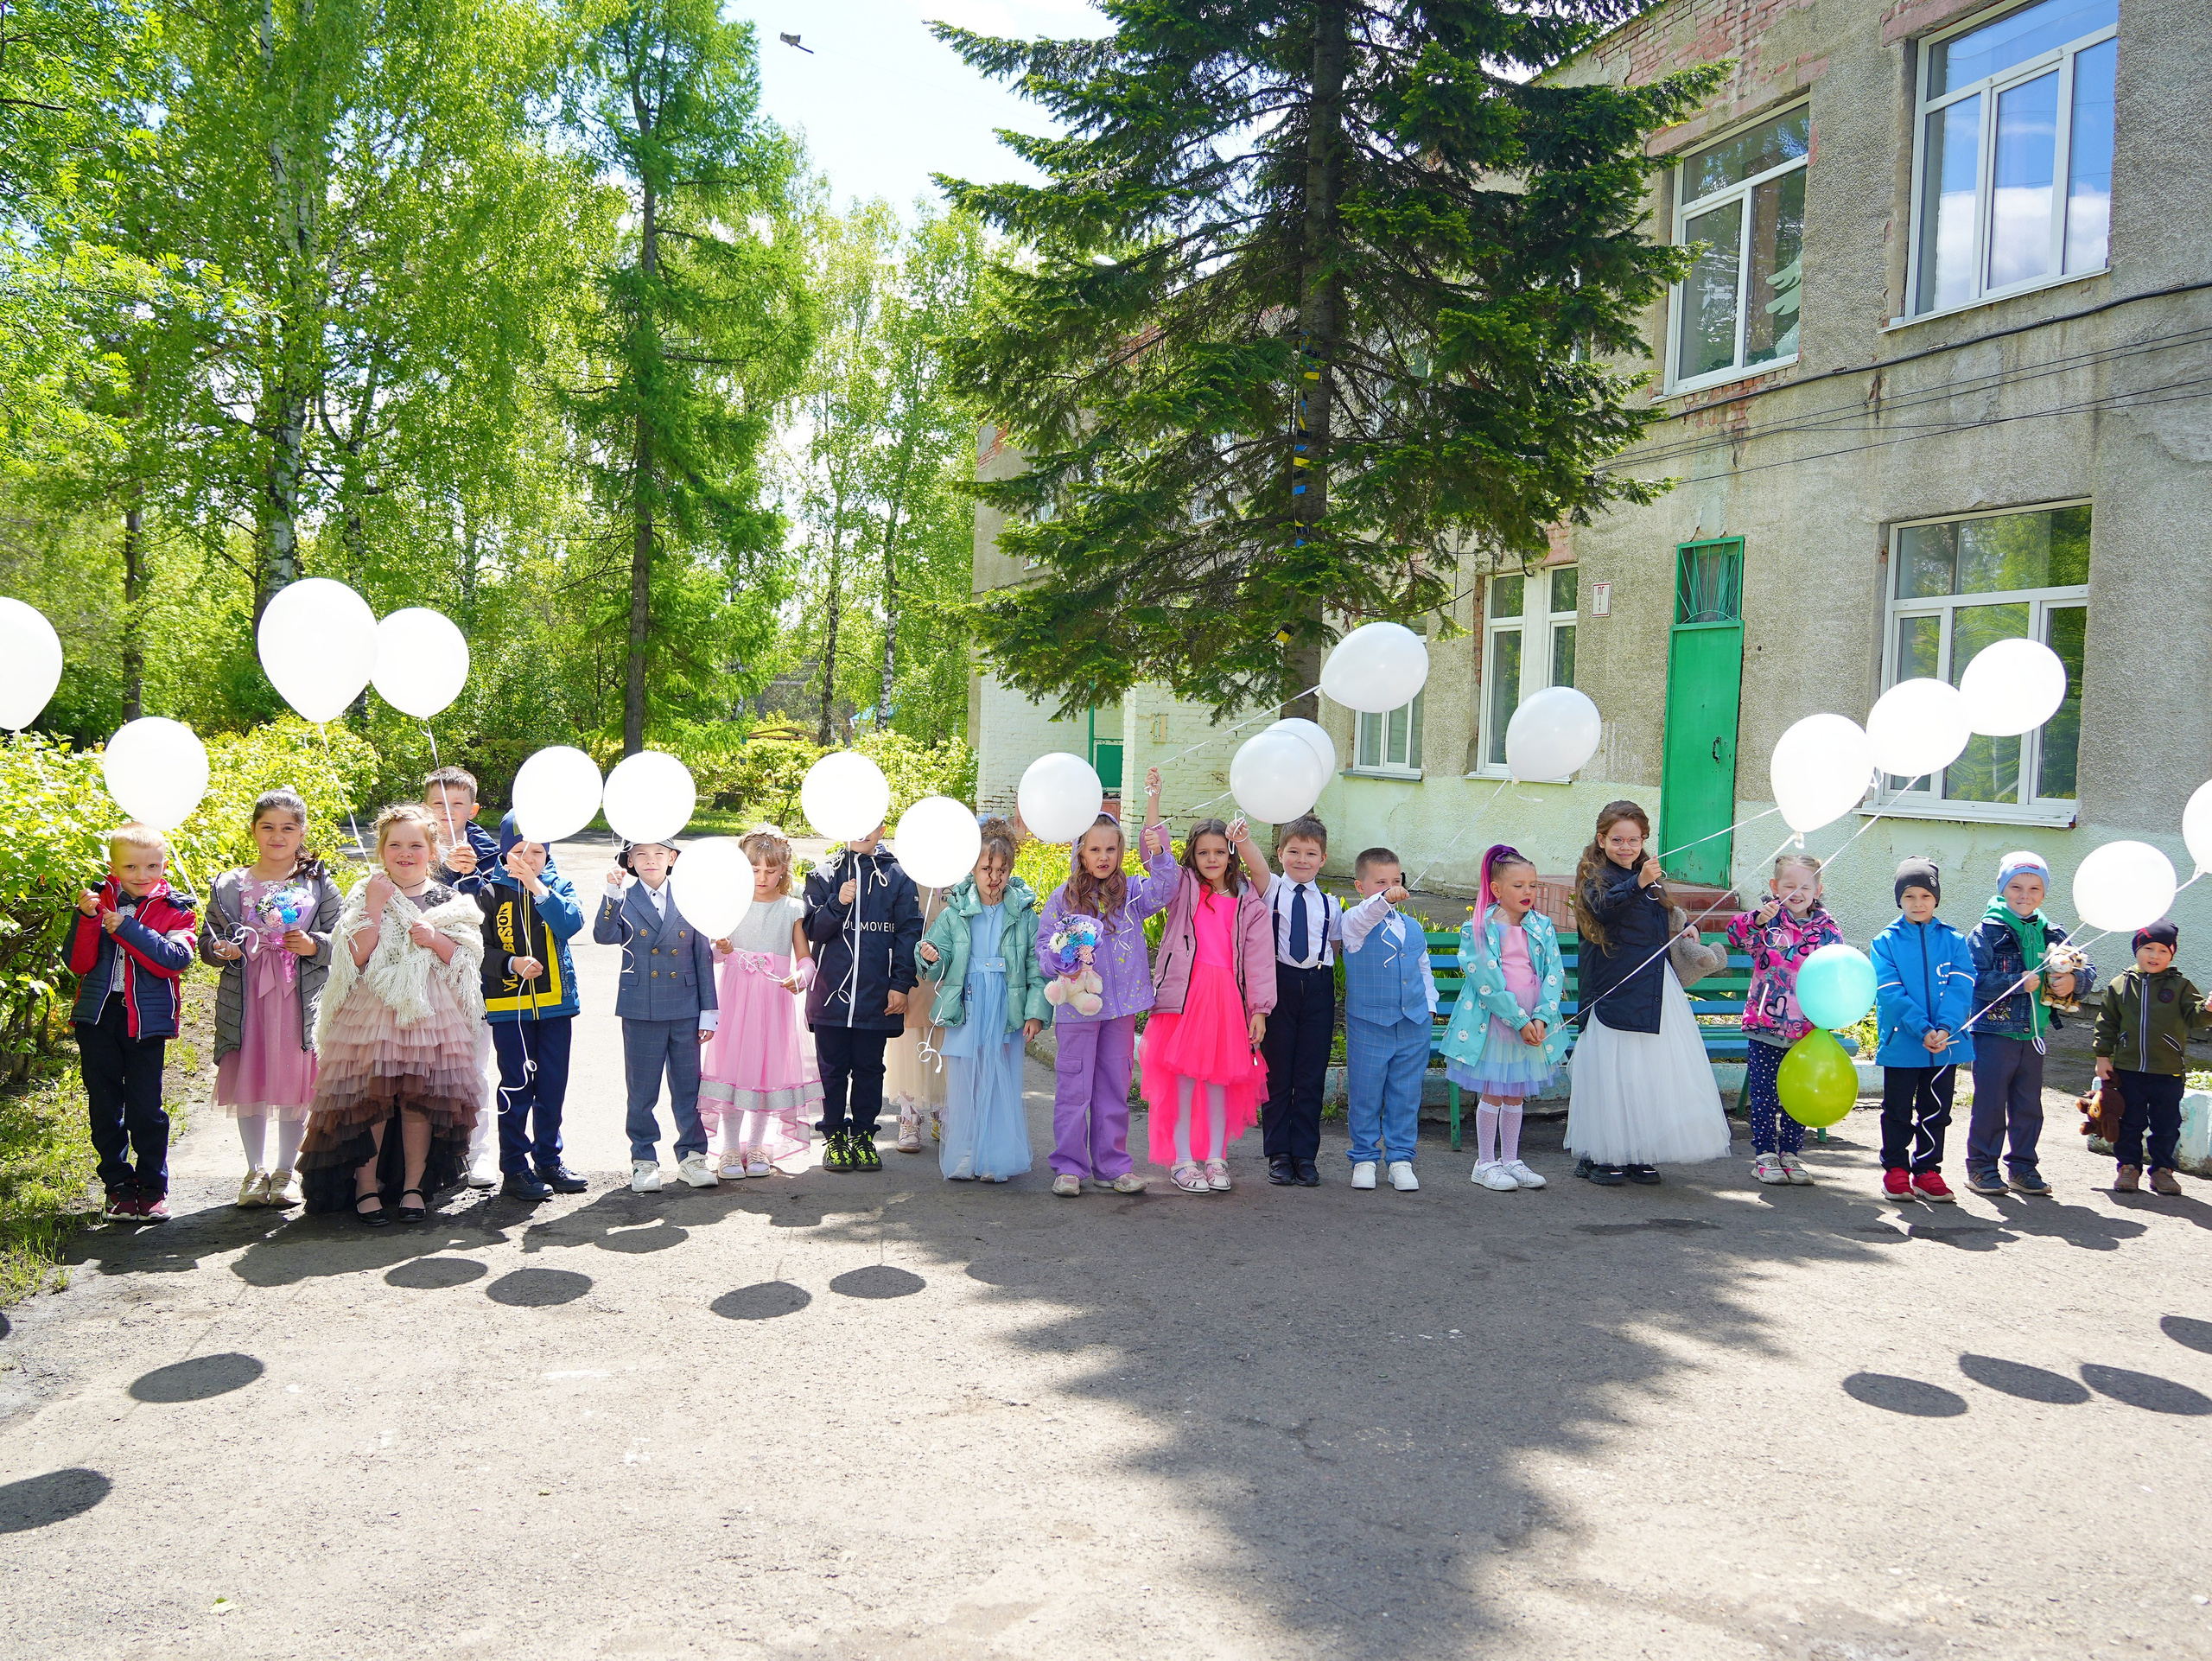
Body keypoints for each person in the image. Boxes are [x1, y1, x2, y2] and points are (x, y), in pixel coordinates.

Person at [296, 804, 486, 1225]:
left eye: (415, 845)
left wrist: (435, 939)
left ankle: (413, 1186)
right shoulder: (367, 891)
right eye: (395, 845)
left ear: (432, 852)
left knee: (420, 1101)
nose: (405, 853)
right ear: (381, 850)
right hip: (373, 1013)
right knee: (371, 1101)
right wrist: (378, 908)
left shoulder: (449, 900)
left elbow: (465, 960)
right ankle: (367, 1187)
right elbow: (354, 957)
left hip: (431, 1014)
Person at [1565, 800, 1732, 1187]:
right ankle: (1598, 1155)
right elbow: (1603, 908)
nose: (1626, 847)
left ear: (1644, 840)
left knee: (1648, 1074)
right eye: (1617, 839)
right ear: (1602, 839)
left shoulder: (1648, 877)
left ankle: (1638, 1150)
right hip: (1612, 988)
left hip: (1654, 988)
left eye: (1634, 839)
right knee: (1611, 1071)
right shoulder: (1596, 877)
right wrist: (1637, 883)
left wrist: (1682, 926)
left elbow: (1658, 918)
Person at [1034, 768, 1177, 1197]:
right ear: (1080, 852)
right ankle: (1069, 1167)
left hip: (1121, 1006)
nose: (1103, 857)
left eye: (1111, 849)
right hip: (1077, 1008)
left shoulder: (1133, 893)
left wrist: (1159, 848)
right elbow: (1043, 951)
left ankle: (1112, 1166)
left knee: (1114, 1086)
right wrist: (1062, 958)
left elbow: (1166, 887)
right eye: (1094, 849)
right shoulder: (1063, 897)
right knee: (1074, 1087)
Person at [199, 789, 342, 1210]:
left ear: (301, 832)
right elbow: (208, 939)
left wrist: (313, 945)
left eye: (287, 827)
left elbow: (345, 936)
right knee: (252, 1075)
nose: (277, 836)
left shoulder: (317, 882)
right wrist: (220, 949)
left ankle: (285, 1171)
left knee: (294, 1078)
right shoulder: (229, 885)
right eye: (267, 827)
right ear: (253, 831)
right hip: (248, 999)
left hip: (298, 996)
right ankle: (254, 1170)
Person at [68, 822, 197, 1222]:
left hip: (146, 1021)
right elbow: (78, 963)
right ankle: (118, 1187)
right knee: (105, 1104)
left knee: (146, 1108)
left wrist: (128, 928)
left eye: (152, 867)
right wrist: (89, 921)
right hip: (98, 1016)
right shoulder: (95, 903)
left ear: (164, 865)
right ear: (112, 866)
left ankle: (153, 1188)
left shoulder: (176, 909)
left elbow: (173, 961)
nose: (142, 876)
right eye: (131, 868)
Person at [1142, 815, 1276, 1194]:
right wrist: (1153, 803)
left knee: (1220, 1082)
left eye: (1220, 851)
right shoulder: (1182, 886)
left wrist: (1260, 1009)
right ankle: (1183, 1159)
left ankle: (1217, 1157)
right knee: (1183, 1082)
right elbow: (1155, 856)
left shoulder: (1246, 897)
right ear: (1193, 855)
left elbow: (1260, 958)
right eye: (1203, 852)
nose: (1212, 859)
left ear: (1231, 855)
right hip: (1186, 998)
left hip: (1227, 1001)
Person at [918, 818, 1048, 1182]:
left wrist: (1035, 1013)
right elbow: (938, 954)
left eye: (1001, 870)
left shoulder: (1022, 914)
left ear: (1010, 871)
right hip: (969, 1005)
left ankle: (995, 1156)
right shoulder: (955, 912)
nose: (994, 877)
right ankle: (966, 1151)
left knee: (999, 1080)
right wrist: (929, 955)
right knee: (966, 1083)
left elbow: (1036, 967)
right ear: (973, 869)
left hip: (1005, 1005)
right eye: (986, 869)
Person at [594, 836, 720, 1193]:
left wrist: (709, 1010)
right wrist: (611, 893)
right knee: (642, 1089)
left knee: (688, 1087)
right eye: (641, 854)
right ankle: (644, 1159)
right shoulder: (624, 896)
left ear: (672, 858)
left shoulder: (690, 895)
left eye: (659, 853)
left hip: (685, 1004)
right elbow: (603, 936)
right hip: (641, 1006)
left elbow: (702, 955)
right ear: (630, 861)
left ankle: (693, 1156)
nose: (651, 860)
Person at [1440, 844, 1568, 1193]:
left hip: (1532, 1020)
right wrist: (1519, 1021)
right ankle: (1485, 1162)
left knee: (1516, 1093)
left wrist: (1542, 1018)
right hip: (1497, 1022)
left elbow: (1553, 972)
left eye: (1533, 885)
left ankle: (1511, 1159)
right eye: (1518, 886)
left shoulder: (1542, 925)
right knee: (1495, 1090)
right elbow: (1487, 982)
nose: (1528, 892)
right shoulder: (1479, 928)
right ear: (1496, 889)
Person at [1963, 850, 2091, 1197]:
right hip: (1994, 1032)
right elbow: (1970, 979)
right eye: (2016, 886)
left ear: (2044, 893)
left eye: (2034, 888)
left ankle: (2022, 1167)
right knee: (1991, 1103)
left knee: (2028, 1104)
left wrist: (2073, 983)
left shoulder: (2053, 931)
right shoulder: (1987, 931)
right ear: (2002, 889)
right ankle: (1982, 1168)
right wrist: (2013, 983)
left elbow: (2085, 968)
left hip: (2033, 1034)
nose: (2024, 894)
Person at [478, 813, 587, 1201]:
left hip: (556, 1004)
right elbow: (476, 948)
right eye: (518, 850)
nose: (528, 858)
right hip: (510, 1006)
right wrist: (511, 963)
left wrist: (537, 887)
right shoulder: (486, 889)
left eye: (538, 852)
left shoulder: (557, 885)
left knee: (553, 1085)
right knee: (517, 1085)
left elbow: (571, 925)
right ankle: (515, 1167)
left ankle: (548, 1158)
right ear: (504, 850)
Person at [700, 825, 820, 1176]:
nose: (762, 877)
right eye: (754, 870)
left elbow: (805, 958)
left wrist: (802, 977)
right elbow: (716, 957)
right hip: (737, 1002)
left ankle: (755, 1147)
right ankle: (728, 1149)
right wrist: (720, 949)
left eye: (770, 869)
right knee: (735, 1069)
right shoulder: (731, 905)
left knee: (766, 1072)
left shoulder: (792, 909)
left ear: (784, 868)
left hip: (774, 1001)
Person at [804, 822, 923, 1174]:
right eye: (854, 822)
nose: (862, 831)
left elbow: (908, 932)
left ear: (882, 827)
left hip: (876, 996)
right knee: (833, 1069)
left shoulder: (898, 875)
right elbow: (813, 930)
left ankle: (863, 1137)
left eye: (870, 823)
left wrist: (900, 983)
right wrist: (838, 904)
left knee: (870, 1069)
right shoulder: (824, 873)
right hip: (830, 996)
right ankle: (835, 1137)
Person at [1725, 852, 1846, 1187]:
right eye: (1789, 885)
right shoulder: (1767, 924)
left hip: (1806, 1031)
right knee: (1765, 1095)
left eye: (1805, 886)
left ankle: (1791, 1152)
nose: (1797, 892)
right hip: (1766, 1026)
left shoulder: (1829, 931)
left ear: (1819, 888)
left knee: (1796, 1094)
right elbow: (1735, 935)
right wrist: (1758, 919)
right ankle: (1764, 1155)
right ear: (1775, 887)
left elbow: (1836, 973)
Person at [1243, 814, 1341, 1187]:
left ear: (1323, 859)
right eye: (1294, 852)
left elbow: (1335, 945)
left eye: (1311, 853)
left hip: (1317, 986)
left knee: (1311, 1075)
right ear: (1280, 853)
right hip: (1279, 984)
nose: (1302, 859)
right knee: (1278, 1074)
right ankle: (1279, 1154)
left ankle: (1305, 1155)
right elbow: (1254, 863)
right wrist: (1246, 839)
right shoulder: (1272, 891)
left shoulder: (1331, 903)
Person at [1870, 857, 1974, 1203]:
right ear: (1899, 899)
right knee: (1897, 1109)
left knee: (1936, 1110)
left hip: (1946, 1043)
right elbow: (1889, 991)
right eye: (1909, 896)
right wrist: (1921, 1029)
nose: (1918, 903)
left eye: (1925, 896)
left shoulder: (1955, 940)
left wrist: (1944, 1028)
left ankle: (1928, 1171)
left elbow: (1962, 988)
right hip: (1904, 1042)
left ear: (1936, 899)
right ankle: (1896, 1170)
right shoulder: (1885, 941)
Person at [1338, 846, 1436, 1193]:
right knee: (1365, 1093)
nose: (1391, 888)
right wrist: (1383, 898)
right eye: (1380, 882)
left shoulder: (1411, 927)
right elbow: (1367, 914)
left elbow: (1423, 969)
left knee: (1406, 1094)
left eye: (1396, 881)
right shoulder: (1353, 923)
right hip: (1370, 1024)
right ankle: (1364, 1158)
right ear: (1360, 887)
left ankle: (1400, 1159)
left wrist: (1430, 1007)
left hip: (1413, 1023)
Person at [423, 766, 502, 1189]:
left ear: (472, 809)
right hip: (421, 975)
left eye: (456, 805)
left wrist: (469, 875)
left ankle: (479, 1151)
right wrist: (442, 871)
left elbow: (492, 913)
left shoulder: (491, 853)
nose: (446, 813)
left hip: (475, 976)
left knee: (474, 1065)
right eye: (437, 804)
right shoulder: (412, 845)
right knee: (424, 1067)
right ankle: (434, 1156)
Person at [2093, 920, 2212, 1196]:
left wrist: (2207, 1009)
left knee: (2166, 1124)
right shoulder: (2120, 984)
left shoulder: (2181, 986)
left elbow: (2195, 1018)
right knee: (2130, 1122)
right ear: (2137, 949)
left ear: (2171, 954)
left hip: (2167, 1071)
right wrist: (2102, 1056)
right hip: (2128, 1069)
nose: (2154, 955)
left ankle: (2162, 1170)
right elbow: (2107, 1022)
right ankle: (2128, 1167)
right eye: (2148, 948)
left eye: (2162, 950)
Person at [887, 882, 950, 1152]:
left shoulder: (963, 878)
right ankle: (909, 1116)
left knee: (945, 1045)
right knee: (909, 1045)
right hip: (910, 974)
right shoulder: (905, 879)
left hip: (950, 975)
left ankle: (943, 1112)